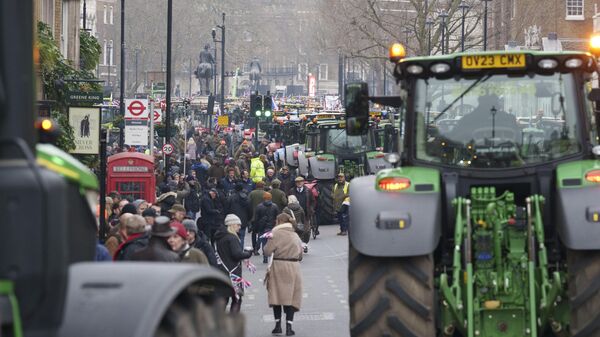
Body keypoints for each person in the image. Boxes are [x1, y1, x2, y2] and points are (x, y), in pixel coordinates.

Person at [264, 213, 303, 336]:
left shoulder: (275, 234)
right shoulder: (295, 235)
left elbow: (267, 251)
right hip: (294, 267)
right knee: (291, 298)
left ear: (279, 221)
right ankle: (289, 328)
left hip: (278, 266)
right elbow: (300, 255)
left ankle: (277, 326)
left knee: (276, 296)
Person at [214, 214, 253, 312]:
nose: (240, 227)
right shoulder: (232, 238)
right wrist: (248, 253)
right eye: (238, 225)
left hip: (222, 271)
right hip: (233, 273)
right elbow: (237, 254)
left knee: (224, 298)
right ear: (232, 225)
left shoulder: (219, 237)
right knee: (237, 298)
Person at [448, 93, 520, 144]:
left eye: (493, 101)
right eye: (488, 102)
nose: (491, 104)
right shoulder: (509, 119)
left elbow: (453, 139)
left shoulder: (467, 120)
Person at [254, 192, 280, 263]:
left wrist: (256, 228)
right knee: (273, 242)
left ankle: (265, 257)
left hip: (262, 227)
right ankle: (273, 256)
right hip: (272, 227)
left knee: (264, 243)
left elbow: (256, 219)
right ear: (271, 198)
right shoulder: (275, 206)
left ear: (264, 198)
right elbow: (278, 217)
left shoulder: (259, 206)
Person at [226, 183, 252, 249]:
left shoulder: (231, 198)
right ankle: (240, 252)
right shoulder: (246, 198)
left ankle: (234, 251)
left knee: (232, 237)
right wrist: (248, 219)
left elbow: (226, 209)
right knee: (241, 237)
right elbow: (250, 210)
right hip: (243, 220)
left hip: (232, 220)